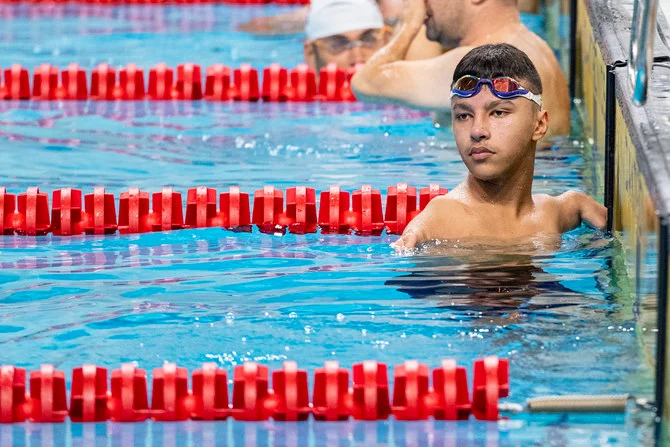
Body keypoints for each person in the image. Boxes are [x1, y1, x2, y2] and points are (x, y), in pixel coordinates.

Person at [393, 44, 606, 249]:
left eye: (498, 113)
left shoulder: (551, 213)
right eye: (464, 115)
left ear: (539, 125)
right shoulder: (442, 219)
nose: (477, 131)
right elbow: (417, 236)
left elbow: (571, 206)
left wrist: (579, 203)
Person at [350, 0, 571, 138]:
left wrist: (410, 23)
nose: (421, 4)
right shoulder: (534, 45)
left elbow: (366, 82)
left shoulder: (482, 64)